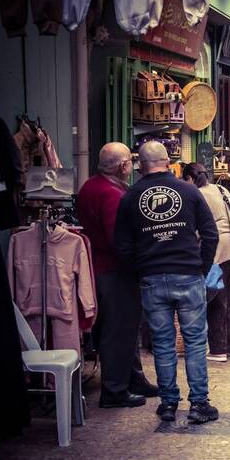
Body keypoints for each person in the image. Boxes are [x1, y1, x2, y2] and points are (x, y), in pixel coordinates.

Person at [114, 141, 219, 424]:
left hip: (151, 278)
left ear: (140, 164)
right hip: (187, 274)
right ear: (168, 160)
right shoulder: (189, 191)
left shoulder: (130, 196)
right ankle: (199, 404)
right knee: (195, 341)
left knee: (162, 343)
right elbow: (211, 234)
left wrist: (140, 272)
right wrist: (201, 268)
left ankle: (169, 403)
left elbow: (122, 247)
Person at [77, 142, 158, 408]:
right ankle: (114, 390)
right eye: (130, 162)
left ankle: (133, 379)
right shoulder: (112, 194)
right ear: (124, 166)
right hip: (114, 271)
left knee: (124, 329)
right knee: (118, 330)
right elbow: (119, 240)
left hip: (98, 269)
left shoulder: (90, 186)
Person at [182, 163, 230, 363]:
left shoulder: (196, 195)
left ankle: (219, 349)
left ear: (190, 179)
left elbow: (197, 228)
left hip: (219, 251)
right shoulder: (220, 188)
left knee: (217, 300)